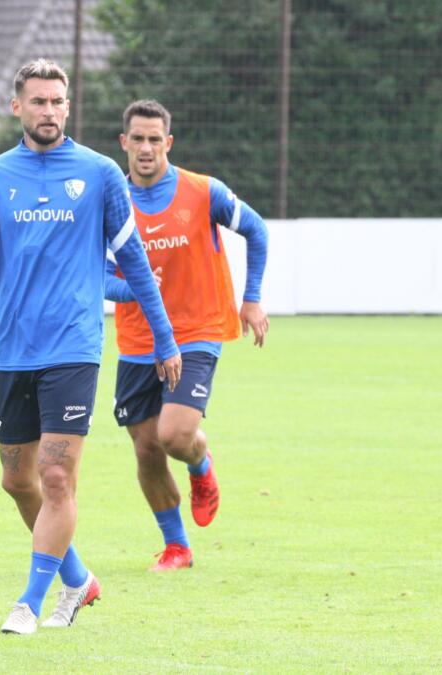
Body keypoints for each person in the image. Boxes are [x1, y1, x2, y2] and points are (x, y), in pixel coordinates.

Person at [0, 62, 182, 634]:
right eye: (38, 102)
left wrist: (164, 338)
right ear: (17, 108)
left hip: (74, 349)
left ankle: (30, 602)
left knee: (56, 479)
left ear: (68, 107)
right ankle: (78, 579)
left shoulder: (100, 174)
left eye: (57, 101)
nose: (48, 111)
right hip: (13, 351)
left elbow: (134, 264)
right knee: (17, 479)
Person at [104, 99, 269, 571]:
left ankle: (200, 464)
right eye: (138, 138)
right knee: (146, 447)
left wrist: (251, 298)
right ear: (124, 143)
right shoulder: (111, 202)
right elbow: (97, 274)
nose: (146, 147)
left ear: (168, 143)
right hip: (139, 341)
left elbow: (256, 230)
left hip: (197, 331)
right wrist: (133, 289)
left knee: (174, 435)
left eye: (155, 139)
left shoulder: (203, 192)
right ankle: (176, 546)